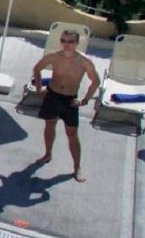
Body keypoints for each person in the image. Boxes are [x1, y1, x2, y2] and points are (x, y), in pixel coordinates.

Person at [32, 30, 100, 183]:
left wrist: (84, 100)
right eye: (63, 40)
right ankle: (47, 154)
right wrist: (38, 88)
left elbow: (95, 81)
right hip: (52, 96)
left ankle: (77, 167)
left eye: (70, 41)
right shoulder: (54, 56)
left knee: (72, 134)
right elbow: (37, 69)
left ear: (77, 43)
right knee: (49, 125)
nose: (66, 44)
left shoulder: (84, 61)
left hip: (70, 100)